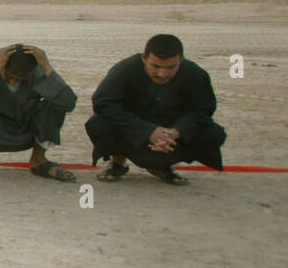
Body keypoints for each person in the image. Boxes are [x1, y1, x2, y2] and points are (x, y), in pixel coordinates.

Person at [86, 33, 226, 185]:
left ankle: (162, 166)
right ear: (144, 58)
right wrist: (147, 130)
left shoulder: (195, 74)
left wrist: (177, 131)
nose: (162, 74)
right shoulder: (125, 69)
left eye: (171, 67)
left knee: (213, 133)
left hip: (170, 133)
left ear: (181, 59)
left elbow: (203, 109)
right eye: (156, 66)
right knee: (98, 123)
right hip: (130, 130)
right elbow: (103, 103)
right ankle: (117, 161)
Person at [0, 44, 78, 181]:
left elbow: (68, 103)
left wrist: (46, 66)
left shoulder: (36, 76)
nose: (13, 81)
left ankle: (38, 160)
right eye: (10, 76)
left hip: (26, 131)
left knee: (56, 102)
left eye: (19, 79)